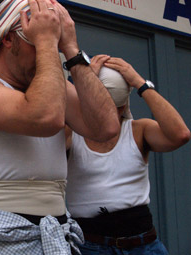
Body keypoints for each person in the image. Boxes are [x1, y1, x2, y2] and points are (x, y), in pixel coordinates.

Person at [0, 0, 120, 254]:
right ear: (10, 39)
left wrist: (72, 50)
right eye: (39, 40)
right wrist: (47, 40)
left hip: (53, 233)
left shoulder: (51, 88)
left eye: (55, 44)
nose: (50, 54)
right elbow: (44, 118)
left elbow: (106, 128)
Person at [65, 55, 190, 255]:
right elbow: (53, 116)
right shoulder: (71, 134)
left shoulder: (138, 131)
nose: (103, 115)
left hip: (143, 244)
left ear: (122, 107)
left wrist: (140, 83)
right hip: (90, 245)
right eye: (97, 106)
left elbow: (180, 135)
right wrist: (80, 82)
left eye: (110, 108)